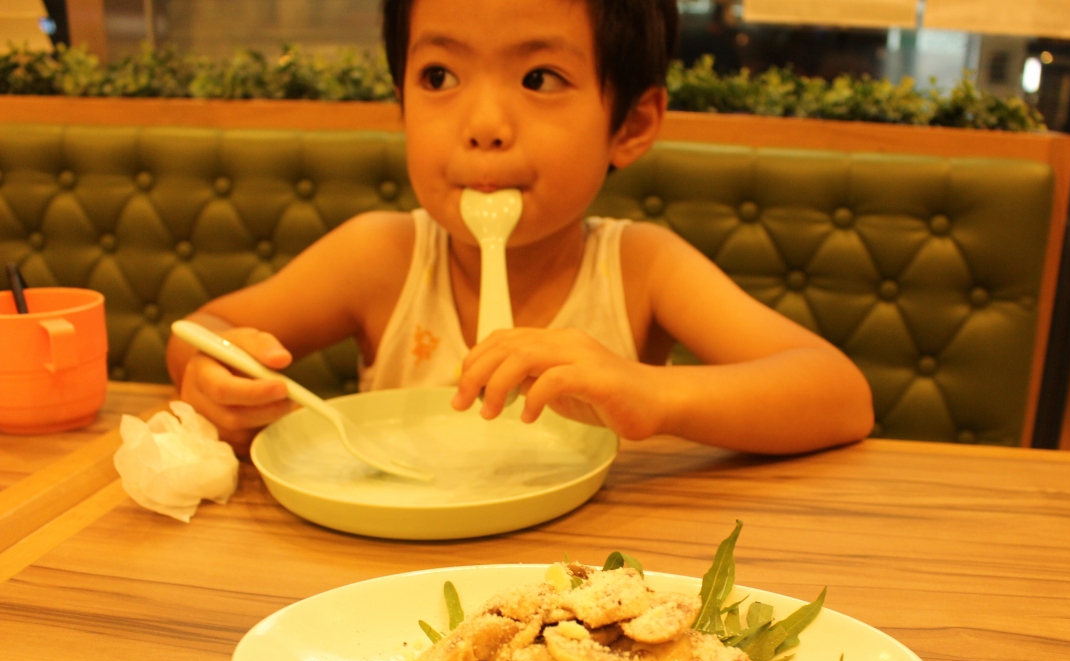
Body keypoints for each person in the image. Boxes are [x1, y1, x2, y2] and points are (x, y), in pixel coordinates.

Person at [166, 0, 874, 457]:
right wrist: (218, 376)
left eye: (539, 79)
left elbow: (838, 395)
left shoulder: (638, 269)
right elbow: (204, 328)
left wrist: (649, 395)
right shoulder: (381, 256)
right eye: (439, 77)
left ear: (630, 124)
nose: (483, 127)